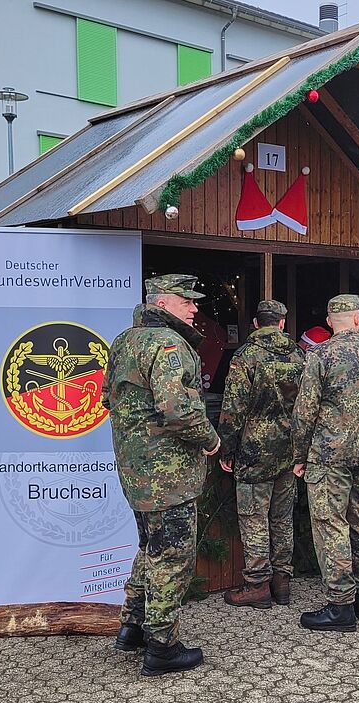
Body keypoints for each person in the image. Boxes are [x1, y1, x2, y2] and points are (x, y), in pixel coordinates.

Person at [105, 273, 222, 677]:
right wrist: (211, 441)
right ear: (164, 303)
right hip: (168, 475)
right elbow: (178, 410)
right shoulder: (170, 344)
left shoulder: (125, 340)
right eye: (187, 302)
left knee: (150, 547)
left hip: (136, 471)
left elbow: (109, 399)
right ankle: (162, 647)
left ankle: (132, 627)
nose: (194, 309)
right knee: (172, 557)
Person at [291, 294, 359, 632]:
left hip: (328, 456)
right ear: (358, 319)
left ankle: (340, 604)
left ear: (331, 322)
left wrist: (299, 456)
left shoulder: (320, 354)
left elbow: (304, 411)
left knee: (330, 525)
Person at [217, 299, 306, 609]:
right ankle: (282, 582)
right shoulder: (299, 355)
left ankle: (257, 586)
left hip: (254, 452)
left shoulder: (247, 356)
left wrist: (227, 447)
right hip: (288, 451)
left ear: (256, 324)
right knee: (282, 518)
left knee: (254, 518)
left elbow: (233, 407)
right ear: (282, 323)